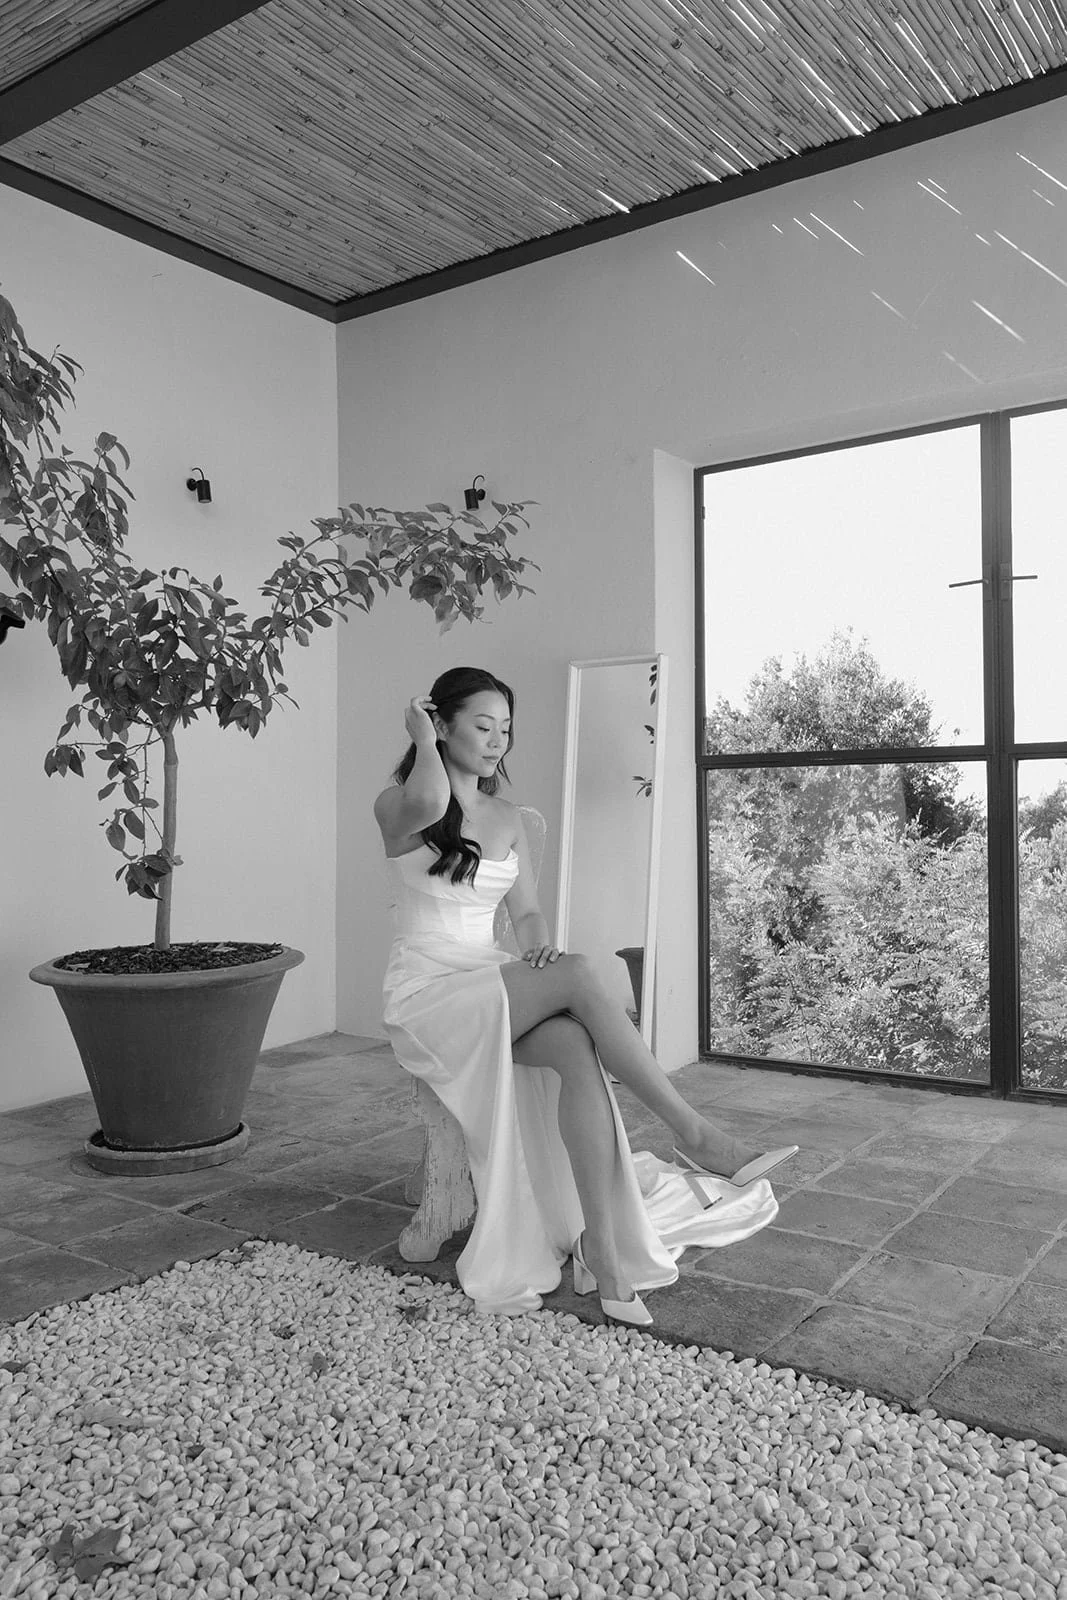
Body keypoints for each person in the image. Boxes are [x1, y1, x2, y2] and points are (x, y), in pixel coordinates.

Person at [375, 666, 798, 1321]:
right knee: (576, 974)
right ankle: (695, 1133)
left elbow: (526, 915)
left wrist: (538, 948)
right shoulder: (399, 803)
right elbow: (431, 804)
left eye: (505, 728)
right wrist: (422, 741)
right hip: (428, 992)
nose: (497, 741)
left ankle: (601, 1248)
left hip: (486, 977)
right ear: (441, 724)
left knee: (574, 1043)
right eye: (482, 726)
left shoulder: (508, 817)